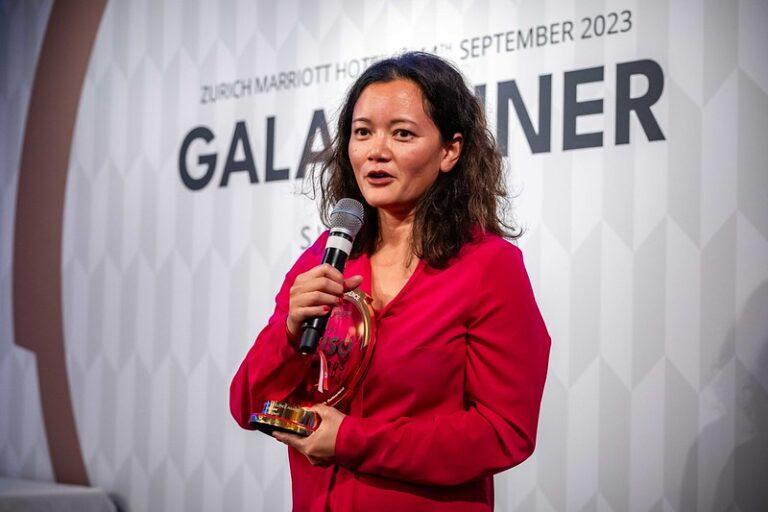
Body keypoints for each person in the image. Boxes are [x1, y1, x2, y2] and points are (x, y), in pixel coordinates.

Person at [230, 51, 551, 511]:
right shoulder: (324, 257)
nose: (376, 151)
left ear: (449, 151)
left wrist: (353, 440)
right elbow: (249, 405)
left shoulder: (489, 267)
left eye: (402, 133)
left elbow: (504, 432)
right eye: (363, 132)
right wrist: (288, 334)